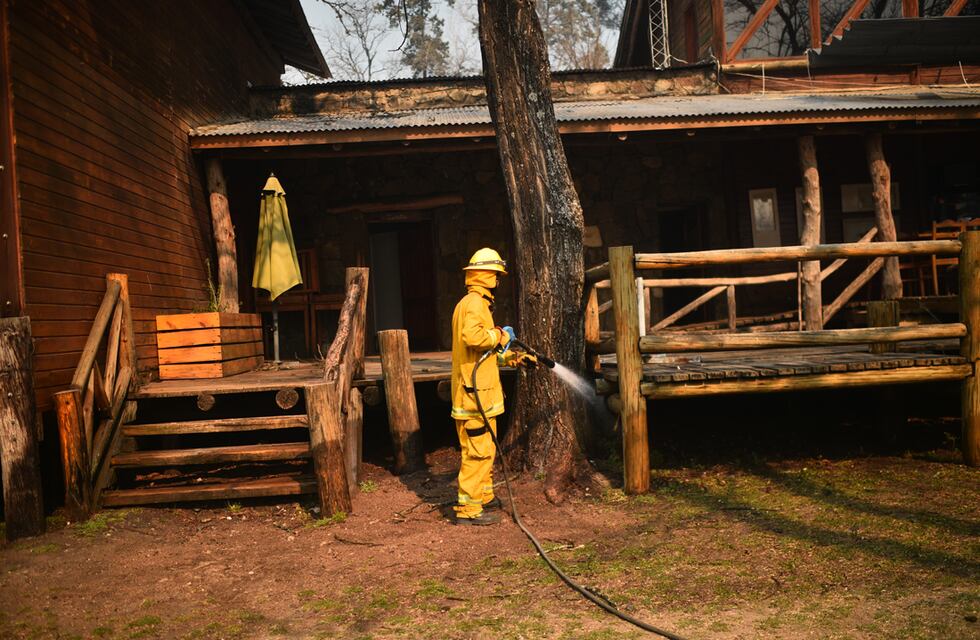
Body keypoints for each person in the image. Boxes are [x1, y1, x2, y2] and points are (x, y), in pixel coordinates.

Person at [450, 248, 531, 525]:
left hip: (481, 395)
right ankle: (468, 510)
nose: (498, 280)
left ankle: (483, 497)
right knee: (478, 452)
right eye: (496, 275)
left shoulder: (475, 303)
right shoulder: (474, 304)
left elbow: (483, 353)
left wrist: (512, 357)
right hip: (473, 398)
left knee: (486, 449)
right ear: (486, 275)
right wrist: (499, 334)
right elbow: (474, 338)